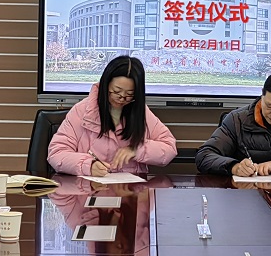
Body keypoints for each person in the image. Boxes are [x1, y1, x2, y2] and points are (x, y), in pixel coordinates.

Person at [48, 56, 177, 176]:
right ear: (105, 84)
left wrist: (137, 149)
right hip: (91, 188)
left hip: (131, 189)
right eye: (116, 91)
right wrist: (88, 165)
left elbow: (169, 148)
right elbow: (57, 153)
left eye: (129, 94)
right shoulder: (82, 111)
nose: (122, 98)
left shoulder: (141, 112)